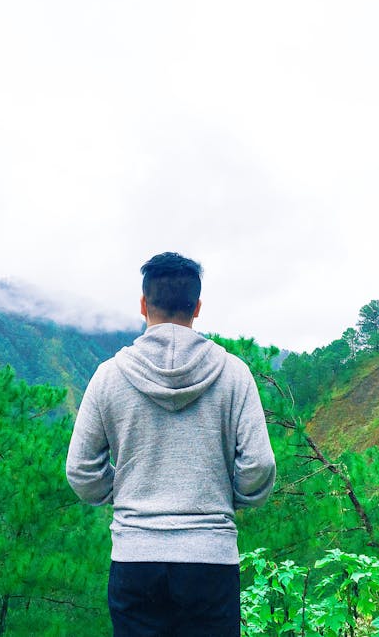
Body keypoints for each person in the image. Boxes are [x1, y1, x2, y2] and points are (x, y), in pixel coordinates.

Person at [66, 252, 276, 637]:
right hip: (211, 558)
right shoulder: (234, 375)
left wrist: (125, 491)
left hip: (135, 558)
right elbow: (259, 465)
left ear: (144, 304)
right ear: (196, 308)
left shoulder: (109, 376)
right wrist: (228, 497)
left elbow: (81, 469)